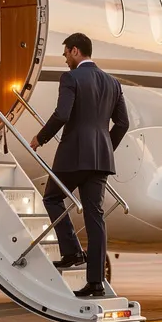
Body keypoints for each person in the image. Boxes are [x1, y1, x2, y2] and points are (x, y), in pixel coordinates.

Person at [29, 32, 129, 298]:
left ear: (75, 51)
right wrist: (105, 146)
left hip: (73, 156)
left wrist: (40, 138)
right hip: (100, 159)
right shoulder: (113, 82)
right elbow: (123, 124)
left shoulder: (71, 78)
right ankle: (95, 282)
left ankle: (72, 251)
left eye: (65, 54)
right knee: (95, 217)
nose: (64, 60)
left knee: (51, 198)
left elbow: (62, 113)